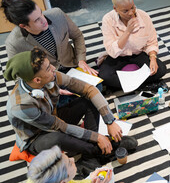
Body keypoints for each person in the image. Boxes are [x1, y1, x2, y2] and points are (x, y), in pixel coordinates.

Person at [5, 48, 137, 159]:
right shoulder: (21, 105)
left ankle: (99, 144)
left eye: (49, 64)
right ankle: (102, 150)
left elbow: (89, 89)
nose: (53, 68)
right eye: (47, 68)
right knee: (59, 138)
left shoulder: (52, 75)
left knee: (87, 100)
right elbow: (60, 126)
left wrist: (110, 121)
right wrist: (96, 137)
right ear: (37, 80)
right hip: (37, 137)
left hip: (55, 117)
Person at [1, 0, 97, 75]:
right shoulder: (13, 43)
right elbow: (18, 74)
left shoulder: (57, 14)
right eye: (37, 20)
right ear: (23, 26)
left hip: (71, 65)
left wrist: (81, 60)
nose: (44, 20)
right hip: (47, 78)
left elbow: (77, 36)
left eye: (41, 13)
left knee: (96, 87)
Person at [99, 0, 167, 91]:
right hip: (118, 56)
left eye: (133, 7)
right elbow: (112, 51)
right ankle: (143, 85)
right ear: (115, 9)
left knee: (161, 69)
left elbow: (151, 41)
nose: (131, 13)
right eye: (125, 11)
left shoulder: (143, 16)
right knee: (105, 76)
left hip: (138, 53)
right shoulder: (108, 20)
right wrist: (127, 32)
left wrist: (153, 58)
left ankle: (127, 86)